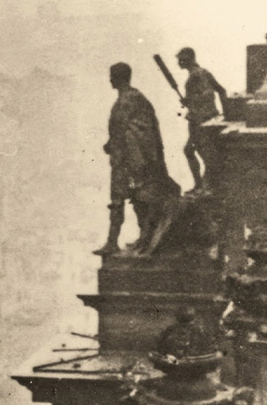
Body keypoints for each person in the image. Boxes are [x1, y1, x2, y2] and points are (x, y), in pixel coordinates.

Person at [96, 62, 180, 256]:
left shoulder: (128, 100)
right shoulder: (135, 98)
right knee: (136, 199)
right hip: (132, 159)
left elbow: (120, 129)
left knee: (123, 199)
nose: (109, 79)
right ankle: (142, 237)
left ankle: (115, 242)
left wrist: (110, 146)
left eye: (112, 76)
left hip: (129, 161)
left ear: (118, 78)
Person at [177, 47, 227, 194]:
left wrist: (190, 101)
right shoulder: (202, 72)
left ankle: (204, 185)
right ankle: (203, 184)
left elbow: (207, 95)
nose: (180, 62)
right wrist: (224, 114)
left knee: (199, 152)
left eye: (182, 59)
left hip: (200, 121)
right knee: (196, 150)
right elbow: (221, 91)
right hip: (206, 119)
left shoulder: (196, 75)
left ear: (189, 59)